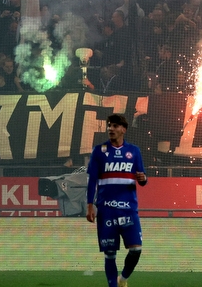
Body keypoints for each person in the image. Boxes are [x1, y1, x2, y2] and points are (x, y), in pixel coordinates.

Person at [86, 113, 147, 287]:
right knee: (110, 253)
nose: (110, 129)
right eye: (109, 125)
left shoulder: (134, 151)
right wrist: (90, 205)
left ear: (123, 130)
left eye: (114, 126)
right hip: (106, 209)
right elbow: (92, 181)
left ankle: (123, 279)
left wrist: (143, 178)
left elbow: (142, 179)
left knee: (136, 250)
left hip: (128, 209)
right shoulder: (99, 151)